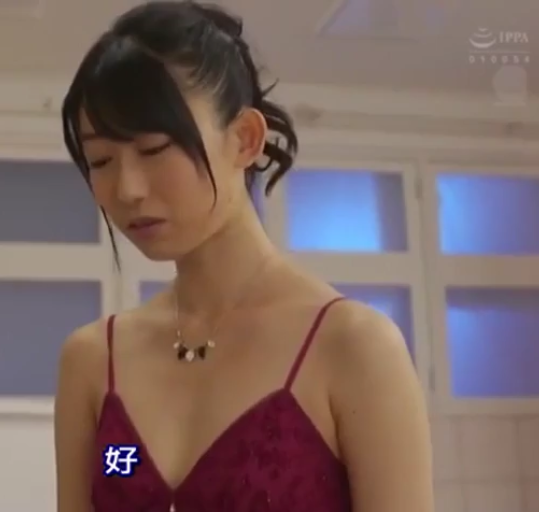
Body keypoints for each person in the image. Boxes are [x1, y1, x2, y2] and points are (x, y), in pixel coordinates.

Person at [53, 2, 434, 511]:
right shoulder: (92, 360)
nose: (127, 188)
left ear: (245, 139)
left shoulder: (354, 346)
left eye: (154, 149)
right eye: (101, 160)